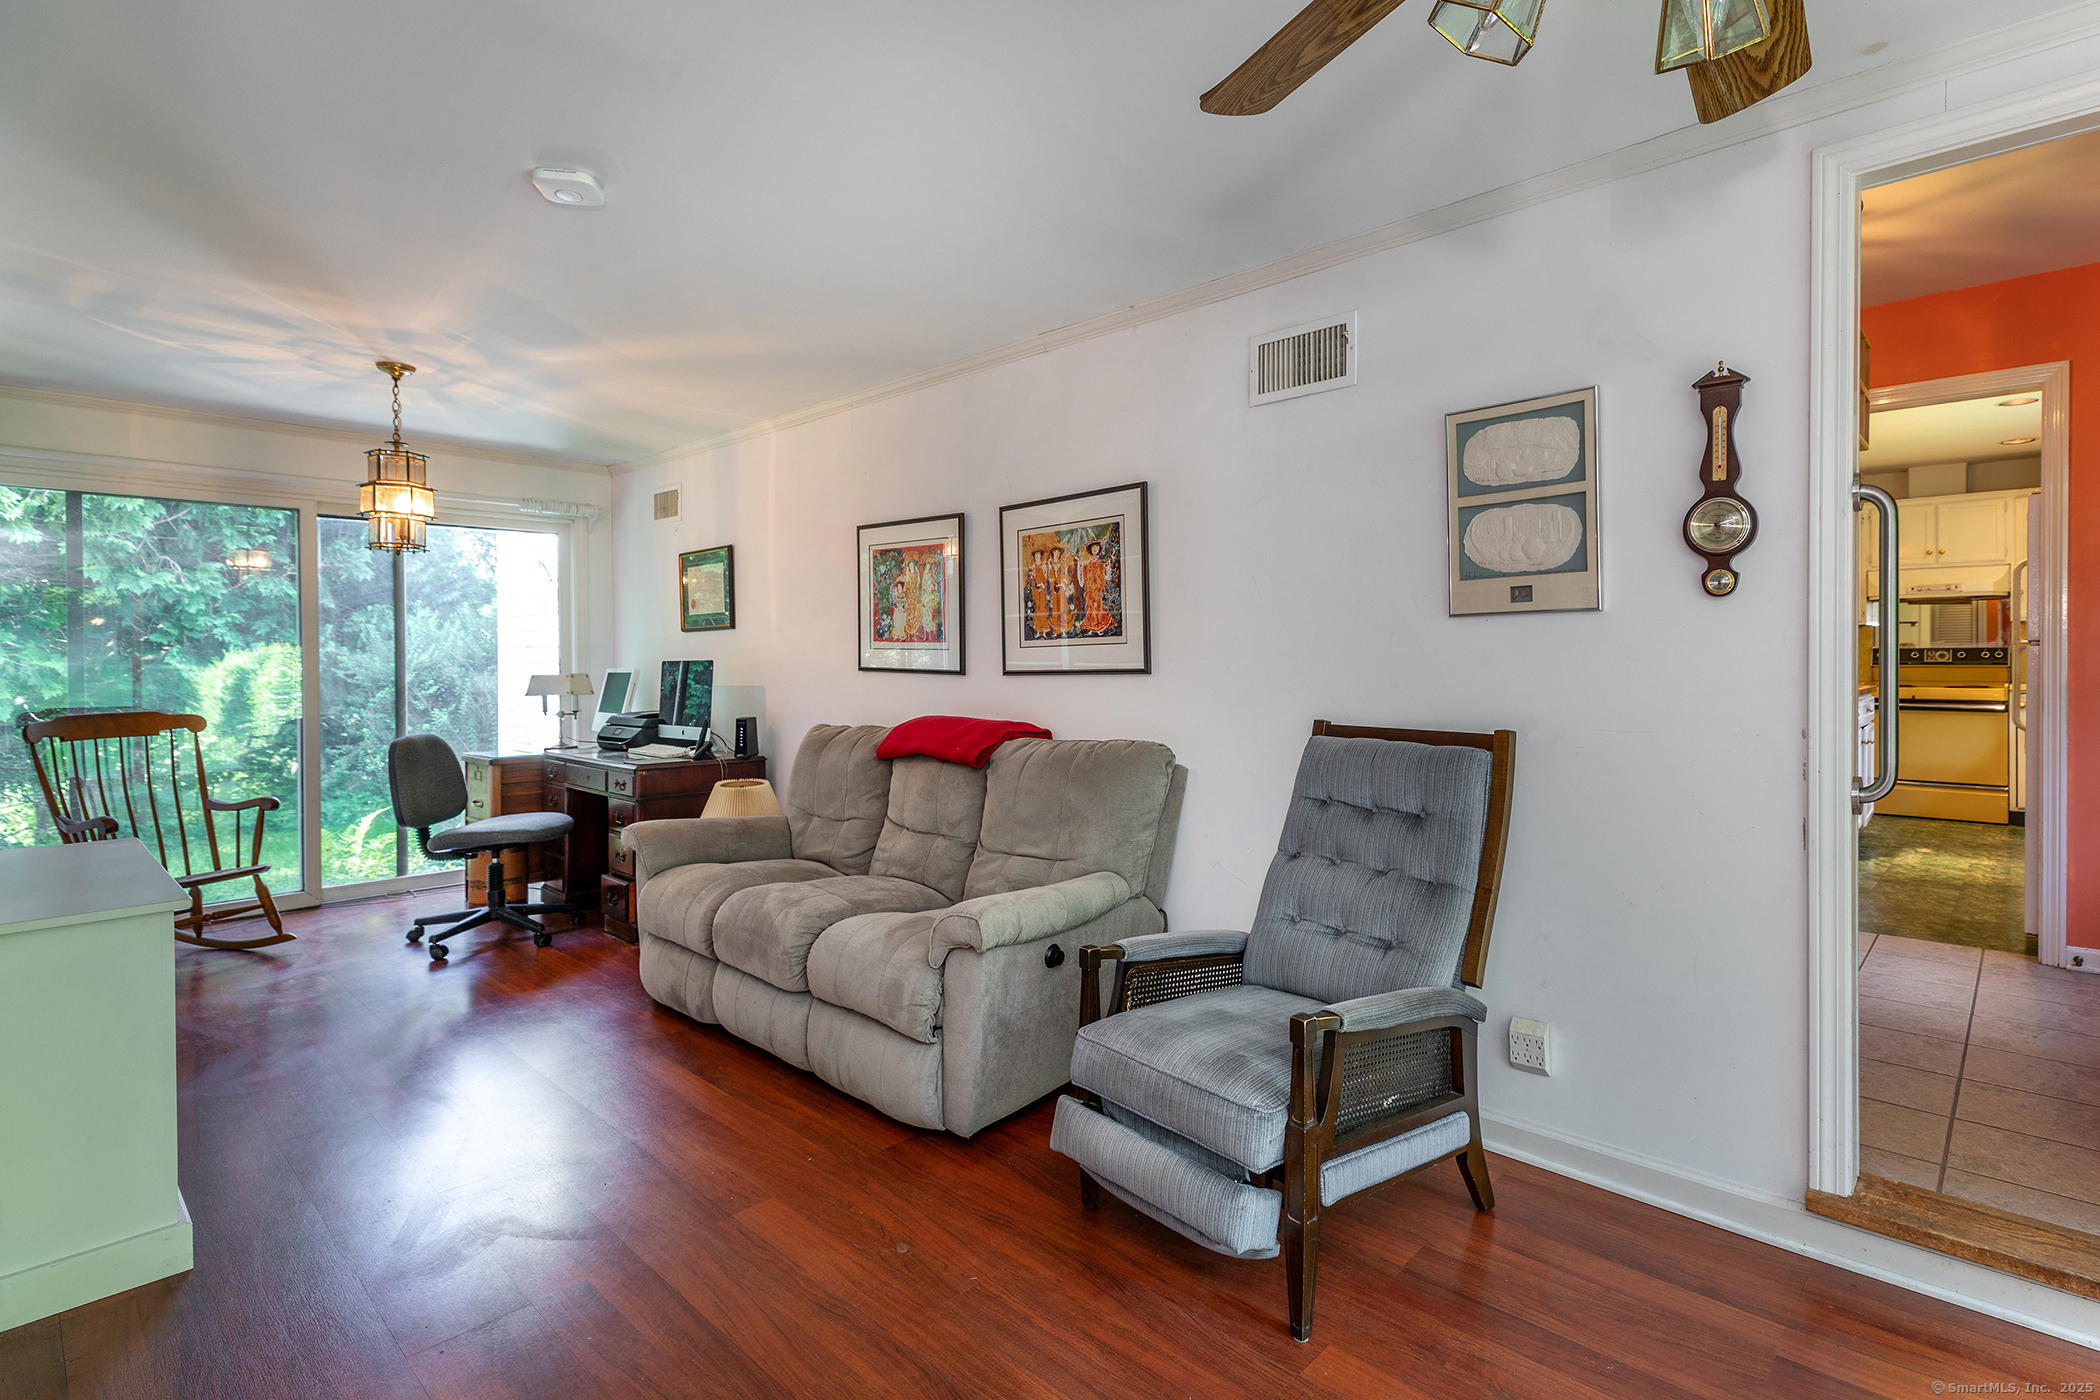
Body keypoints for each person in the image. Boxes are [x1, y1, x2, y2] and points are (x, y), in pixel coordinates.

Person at [1078, 538, 1117, 635]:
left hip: (1099, 589)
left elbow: (1107, 575)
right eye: (1093, 547)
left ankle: (1100, 627)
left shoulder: (1102, 561)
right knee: (1090, 608)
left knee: (1099, 608)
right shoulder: (1086, 562)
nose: (1095, 549)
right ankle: (1090, 626)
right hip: (1089, 590)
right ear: (1090, 549)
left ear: (1099, 548)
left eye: (1096, 547)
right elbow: (1082, 576)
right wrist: (1079, 564)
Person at [1028, 548, 1051, 639]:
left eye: (1039, 555)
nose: (1037, 556)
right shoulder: (1033, 566)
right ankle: (1038, 631)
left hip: (1043, 591)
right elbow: (1032, 579)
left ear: (1041, 556)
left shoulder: (1044, 566)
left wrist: (1041, 585)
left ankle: (1044, 632)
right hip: (1036, 591)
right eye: (1036, 555)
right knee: (1037, 609)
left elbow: (1045, 579)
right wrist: (1034, 583)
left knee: (1043, 609)